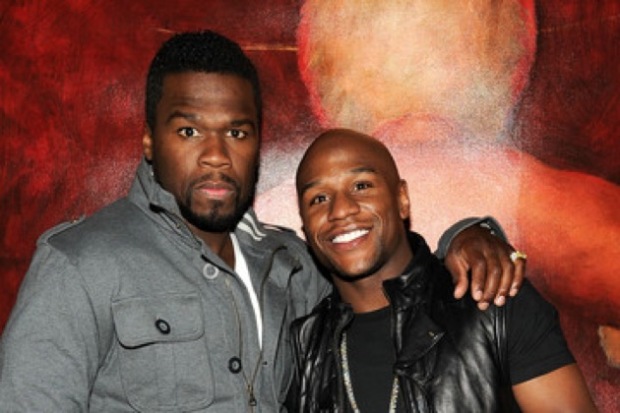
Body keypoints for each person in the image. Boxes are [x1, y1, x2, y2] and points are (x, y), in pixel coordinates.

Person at [0, 31, 521, 412]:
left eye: (237, 132)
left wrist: (464, 236)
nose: (215, 155)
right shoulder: (79, 264)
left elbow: (387, 271)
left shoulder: (292, 262)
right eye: (189, 132)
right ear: (149, 141)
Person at [289, 128, 598, 412]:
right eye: (318, 199)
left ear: (402, 199)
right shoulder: (302, 349)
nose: (340, 210)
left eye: (361, 186)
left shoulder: (492, 300)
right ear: (304, 225)